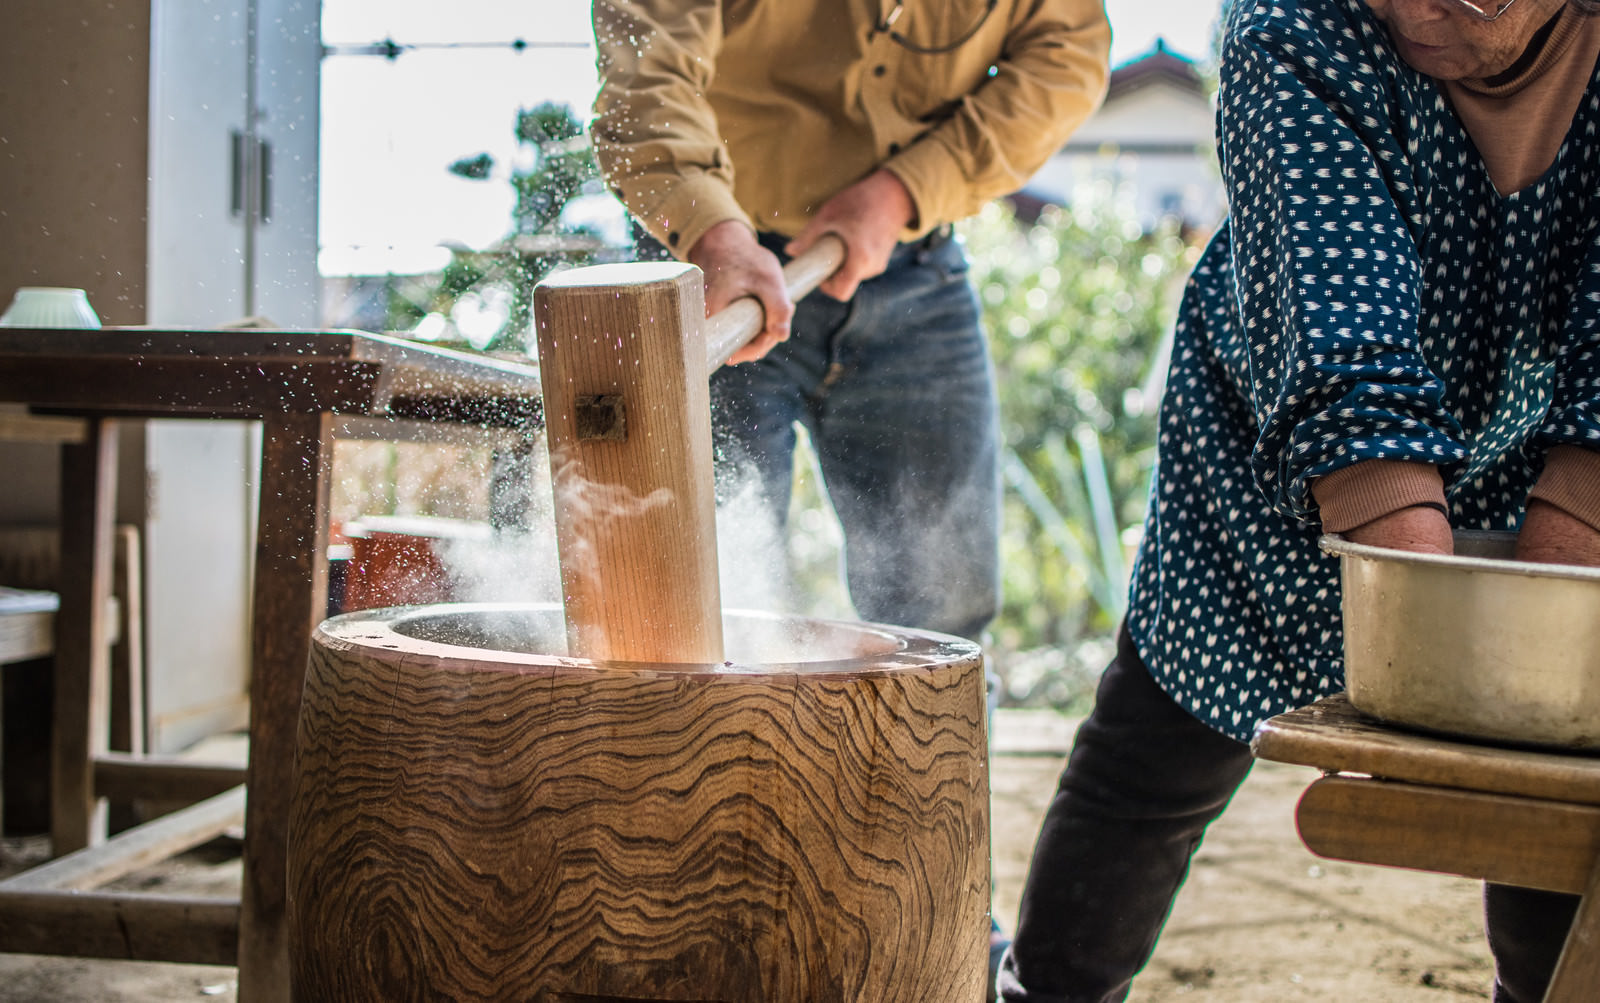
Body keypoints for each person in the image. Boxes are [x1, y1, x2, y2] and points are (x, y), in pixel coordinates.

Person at [997, 0, 1600, 1001]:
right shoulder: (1289, 23)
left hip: (1541, 441)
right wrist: (1424, 647)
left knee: (1554, 780)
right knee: (1153, 755)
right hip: (1276, 437)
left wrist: (1537, 648)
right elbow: (1342, 355)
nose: (1417, 9)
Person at [590, 4, 1111, 996]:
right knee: (688, 625)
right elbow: (645, 58)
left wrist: (903, 189)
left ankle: (935, 919)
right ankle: (699, 930)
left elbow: (1071, 49)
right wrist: (710, 226)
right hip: (714, 269)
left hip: (916, 269)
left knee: (939, 630)